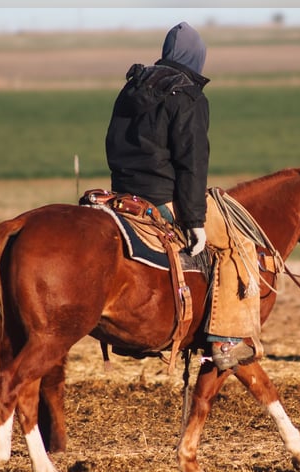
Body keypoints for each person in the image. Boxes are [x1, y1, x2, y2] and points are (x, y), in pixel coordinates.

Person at [105, 21, 262, 371]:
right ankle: (224, 342)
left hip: (123, 194)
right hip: (163, 196)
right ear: (196, 59)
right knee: (239, 243)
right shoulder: (188, 97)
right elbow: (192, 164)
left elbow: (112, 142)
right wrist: (194, 221)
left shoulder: (131, 88)